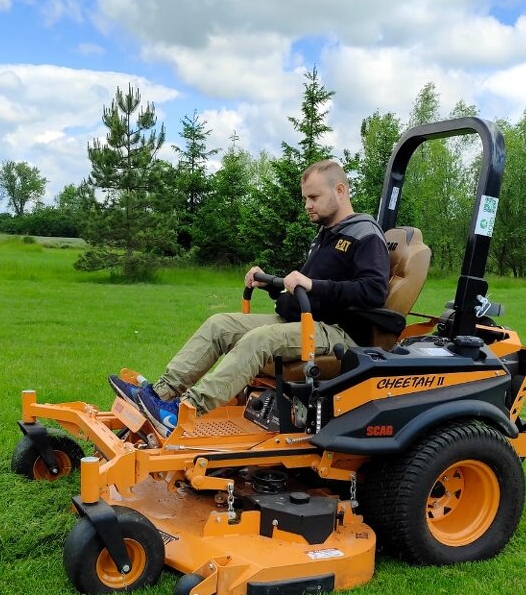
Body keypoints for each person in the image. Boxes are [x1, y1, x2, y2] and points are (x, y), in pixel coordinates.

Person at [111, 159, 390, 434]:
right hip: (305, 320)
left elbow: (374, 291)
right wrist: (268, 281)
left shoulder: (365, 233)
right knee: (219, 324)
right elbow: (303, 287)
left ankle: (184, 412)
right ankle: (160, 395)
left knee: (260, 339)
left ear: (340, 191)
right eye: (306, 198)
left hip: (339, 332)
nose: (307, 205)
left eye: (314, 197)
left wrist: (313, 284)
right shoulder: (326, 234)